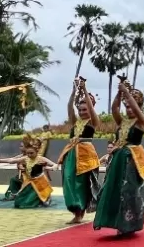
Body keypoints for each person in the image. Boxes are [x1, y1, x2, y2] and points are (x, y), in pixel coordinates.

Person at [93, 80, 144, 236]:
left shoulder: (141, 121)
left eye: (132, 106)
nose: (129, 109)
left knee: (129, 192)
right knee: (113, 190)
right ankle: (117, 223)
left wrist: (126, 93)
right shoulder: (122, 121)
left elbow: (136, 110)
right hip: (118, 159)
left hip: (132, 161)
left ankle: (129, 225)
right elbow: (114, 108)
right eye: (127, 106)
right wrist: (120, 93)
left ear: (139, 106)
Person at [57, 77, 101, 224]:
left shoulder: (93, 122)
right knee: (68, 181)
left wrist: (85, 89)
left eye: (85, 109)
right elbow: (70, 107)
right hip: (71, 154)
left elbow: (91, 109)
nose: (82, 112)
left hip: (85, 155)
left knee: (81, 184)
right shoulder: (76, 122)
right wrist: (74, 91)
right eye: (80, 109)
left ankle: (79, 213)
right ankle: (76, 210)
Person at [0, 134, 57, 208]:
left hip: (40, 183)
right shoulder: (26, 158)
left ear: (37, 151)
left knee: (27, 204)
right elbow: (11, 160)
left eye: (31, 153)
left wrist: (50, 168)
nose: (29, 155)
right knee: (18, 203)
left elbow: (55, 165)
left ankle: (44, 199)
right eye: (28, 153)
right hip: (29, 182)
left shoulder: (41, 159)